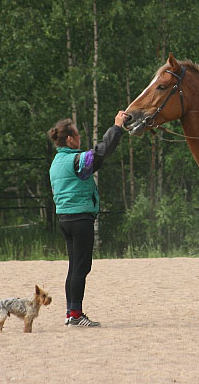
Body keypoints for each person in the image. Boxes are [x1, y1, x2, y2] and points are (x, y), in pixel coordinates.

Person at [47, 111, 127, 327]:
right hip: (80, 219)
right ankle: (76, 315)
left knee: (74, 267)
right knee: (81, 268)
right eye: (77, 135)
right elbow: (101, 153)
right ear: (70, 139)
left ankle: (70, 312)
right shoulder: (76, 160)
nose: (80, 138)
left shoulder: (56, 162)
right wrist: (117, 127)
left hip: (64, 218)